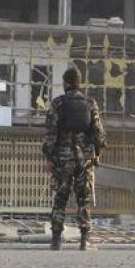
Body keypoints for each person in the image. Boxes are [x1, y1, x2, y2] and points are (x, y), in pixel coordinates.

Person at [42, 67, 106, 251]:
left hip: (62, 159)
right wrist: (97, 153)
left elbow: (51, 134)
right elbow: (99, 133)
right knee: (83, 199)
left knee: (60, 198)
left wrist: (48, 157)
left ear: (65, 82)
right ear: (79, 82)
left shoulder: (58, 104)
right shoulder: (90, 103)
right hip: (84, 160)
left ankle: (56, 240)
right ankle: (84, 239)